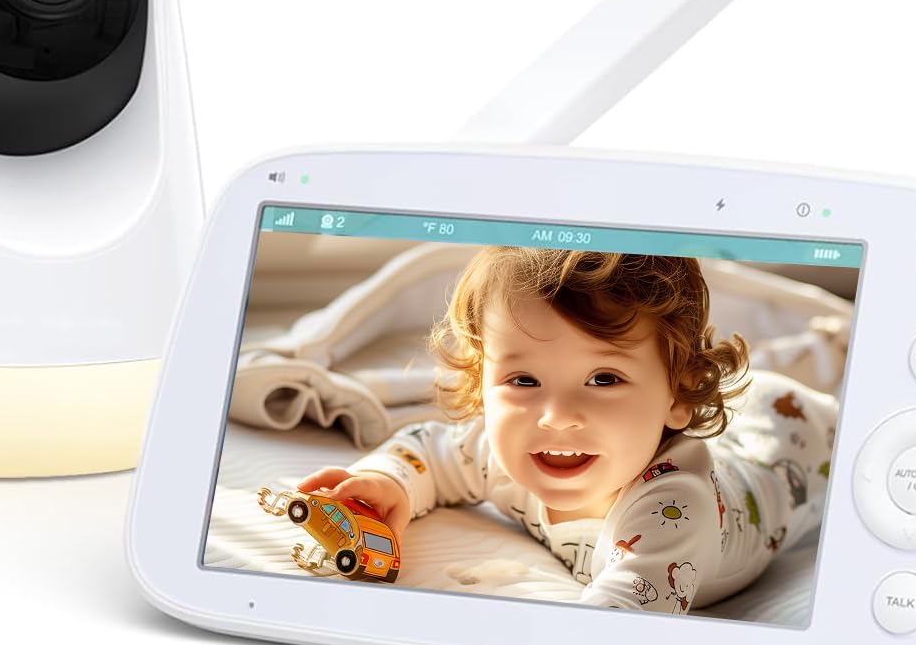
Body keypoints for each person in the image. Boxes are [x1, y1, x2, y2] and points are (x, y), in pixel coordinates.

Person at [296, 247, 835, 612]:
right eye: (523, 380)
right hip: (737, 422)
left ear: (678, 395)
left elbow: (619, 622)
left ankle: (828, 344)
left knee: (810, 390)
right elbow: (431, 450)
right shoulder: (508, 449)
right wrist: (388, 482)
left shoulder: (673, 509)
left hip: (794, 435)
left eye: (603, 378)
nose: (555, 416)